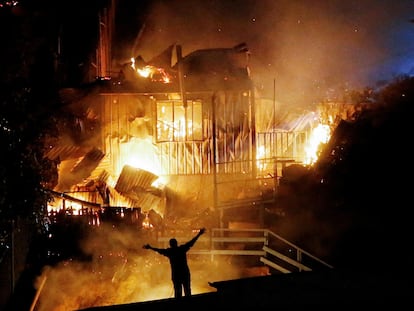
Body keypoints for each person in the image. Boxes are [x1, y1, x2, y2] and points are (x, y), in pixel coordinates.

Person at [143, 228, 206, 298]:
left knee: (178, 292)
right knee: (187, 291)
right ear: (176, 243)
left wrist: (150, 247)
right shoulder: (182, 249)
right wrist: (199, 234)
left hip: (176, 275)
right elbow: (191, 242)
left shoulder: (170, 252)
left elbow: (159, 250)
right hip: (185, 273)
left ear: (170, 245)